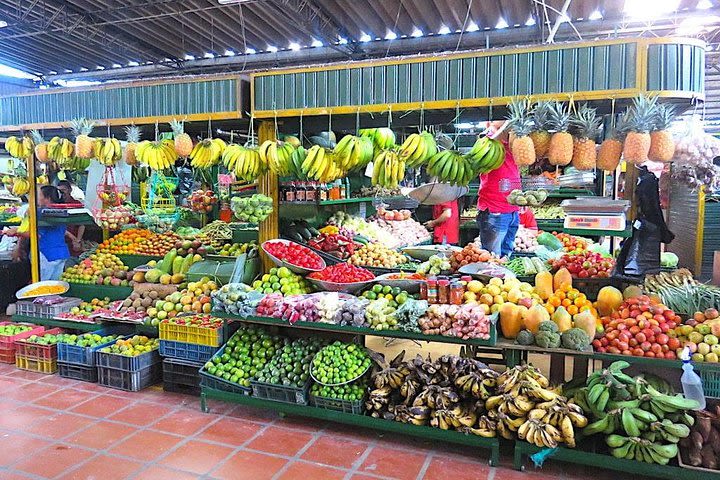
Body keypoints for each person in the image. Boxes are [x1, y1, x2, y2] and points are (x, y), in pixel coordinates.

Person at [5, 186, 70, 280]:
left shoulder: (42, 213)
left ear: (47, 198)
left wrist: (16, 231)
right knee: (55, 287)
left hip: (47, 255)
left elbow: (36, 235)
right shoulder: (60, 212)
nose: (37, 198)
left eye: (39, 195)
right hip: (61, 254)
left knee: (42, 287)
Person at [476, 121, 520, 257]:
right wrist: (503, 127)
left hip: (512, 210)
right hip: (495, 211)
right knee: (492, 258)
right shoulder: (489, 136)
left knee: (506, 255)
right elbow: (486, 143)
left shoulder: (514, 141)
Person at [57, 180, 85, 256]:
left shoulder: (76, 204)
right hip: (60, 242)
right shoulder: (56, 205)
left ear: (70, 190)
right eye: (59, 191)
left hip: (73, 243)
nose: (61, 193)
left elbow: (81, 224)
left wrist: (77, 240)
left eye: (63, 190)